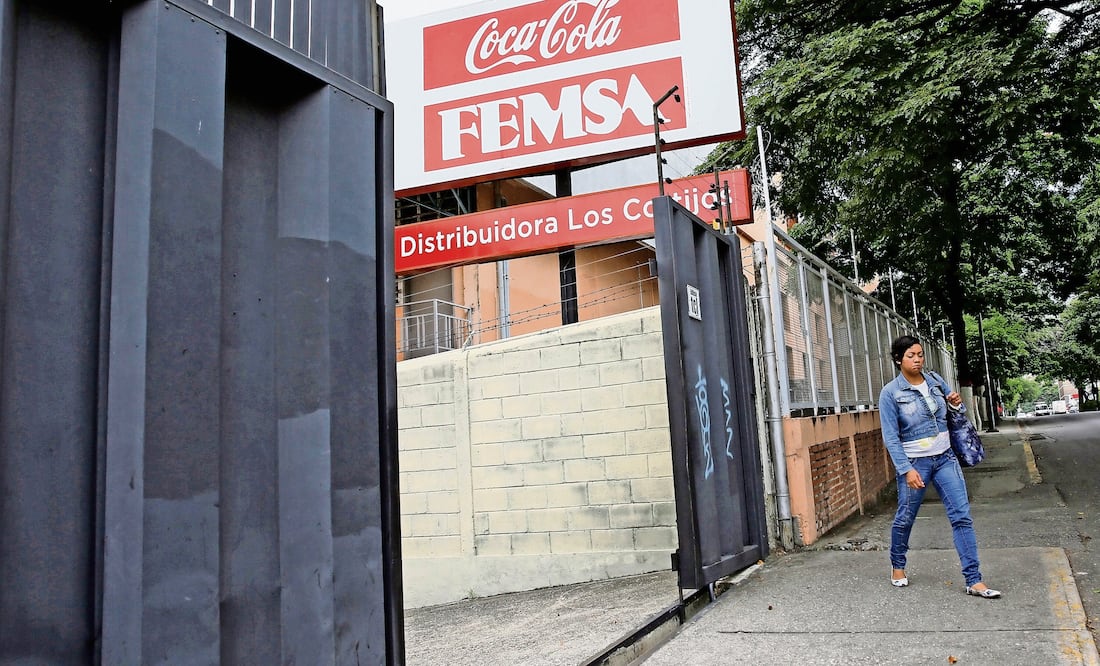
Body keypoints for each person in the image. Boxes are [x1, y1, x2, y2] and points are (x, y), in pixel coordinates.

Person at [878, 335, 1001, 599]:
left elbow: (957, 413)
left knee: (961, 516)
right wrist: (905, 469)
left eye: (920, 354)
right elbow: (891, 436)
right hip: (915, 463)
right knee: (905, 517)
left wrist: (957, 404)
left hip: (945, 457)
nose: (917, 360)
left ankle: (974, 579)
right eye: (911, 355)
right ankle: (898, 565)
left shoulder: (935, 380)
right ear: (898, 359)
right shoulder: (890, 393)